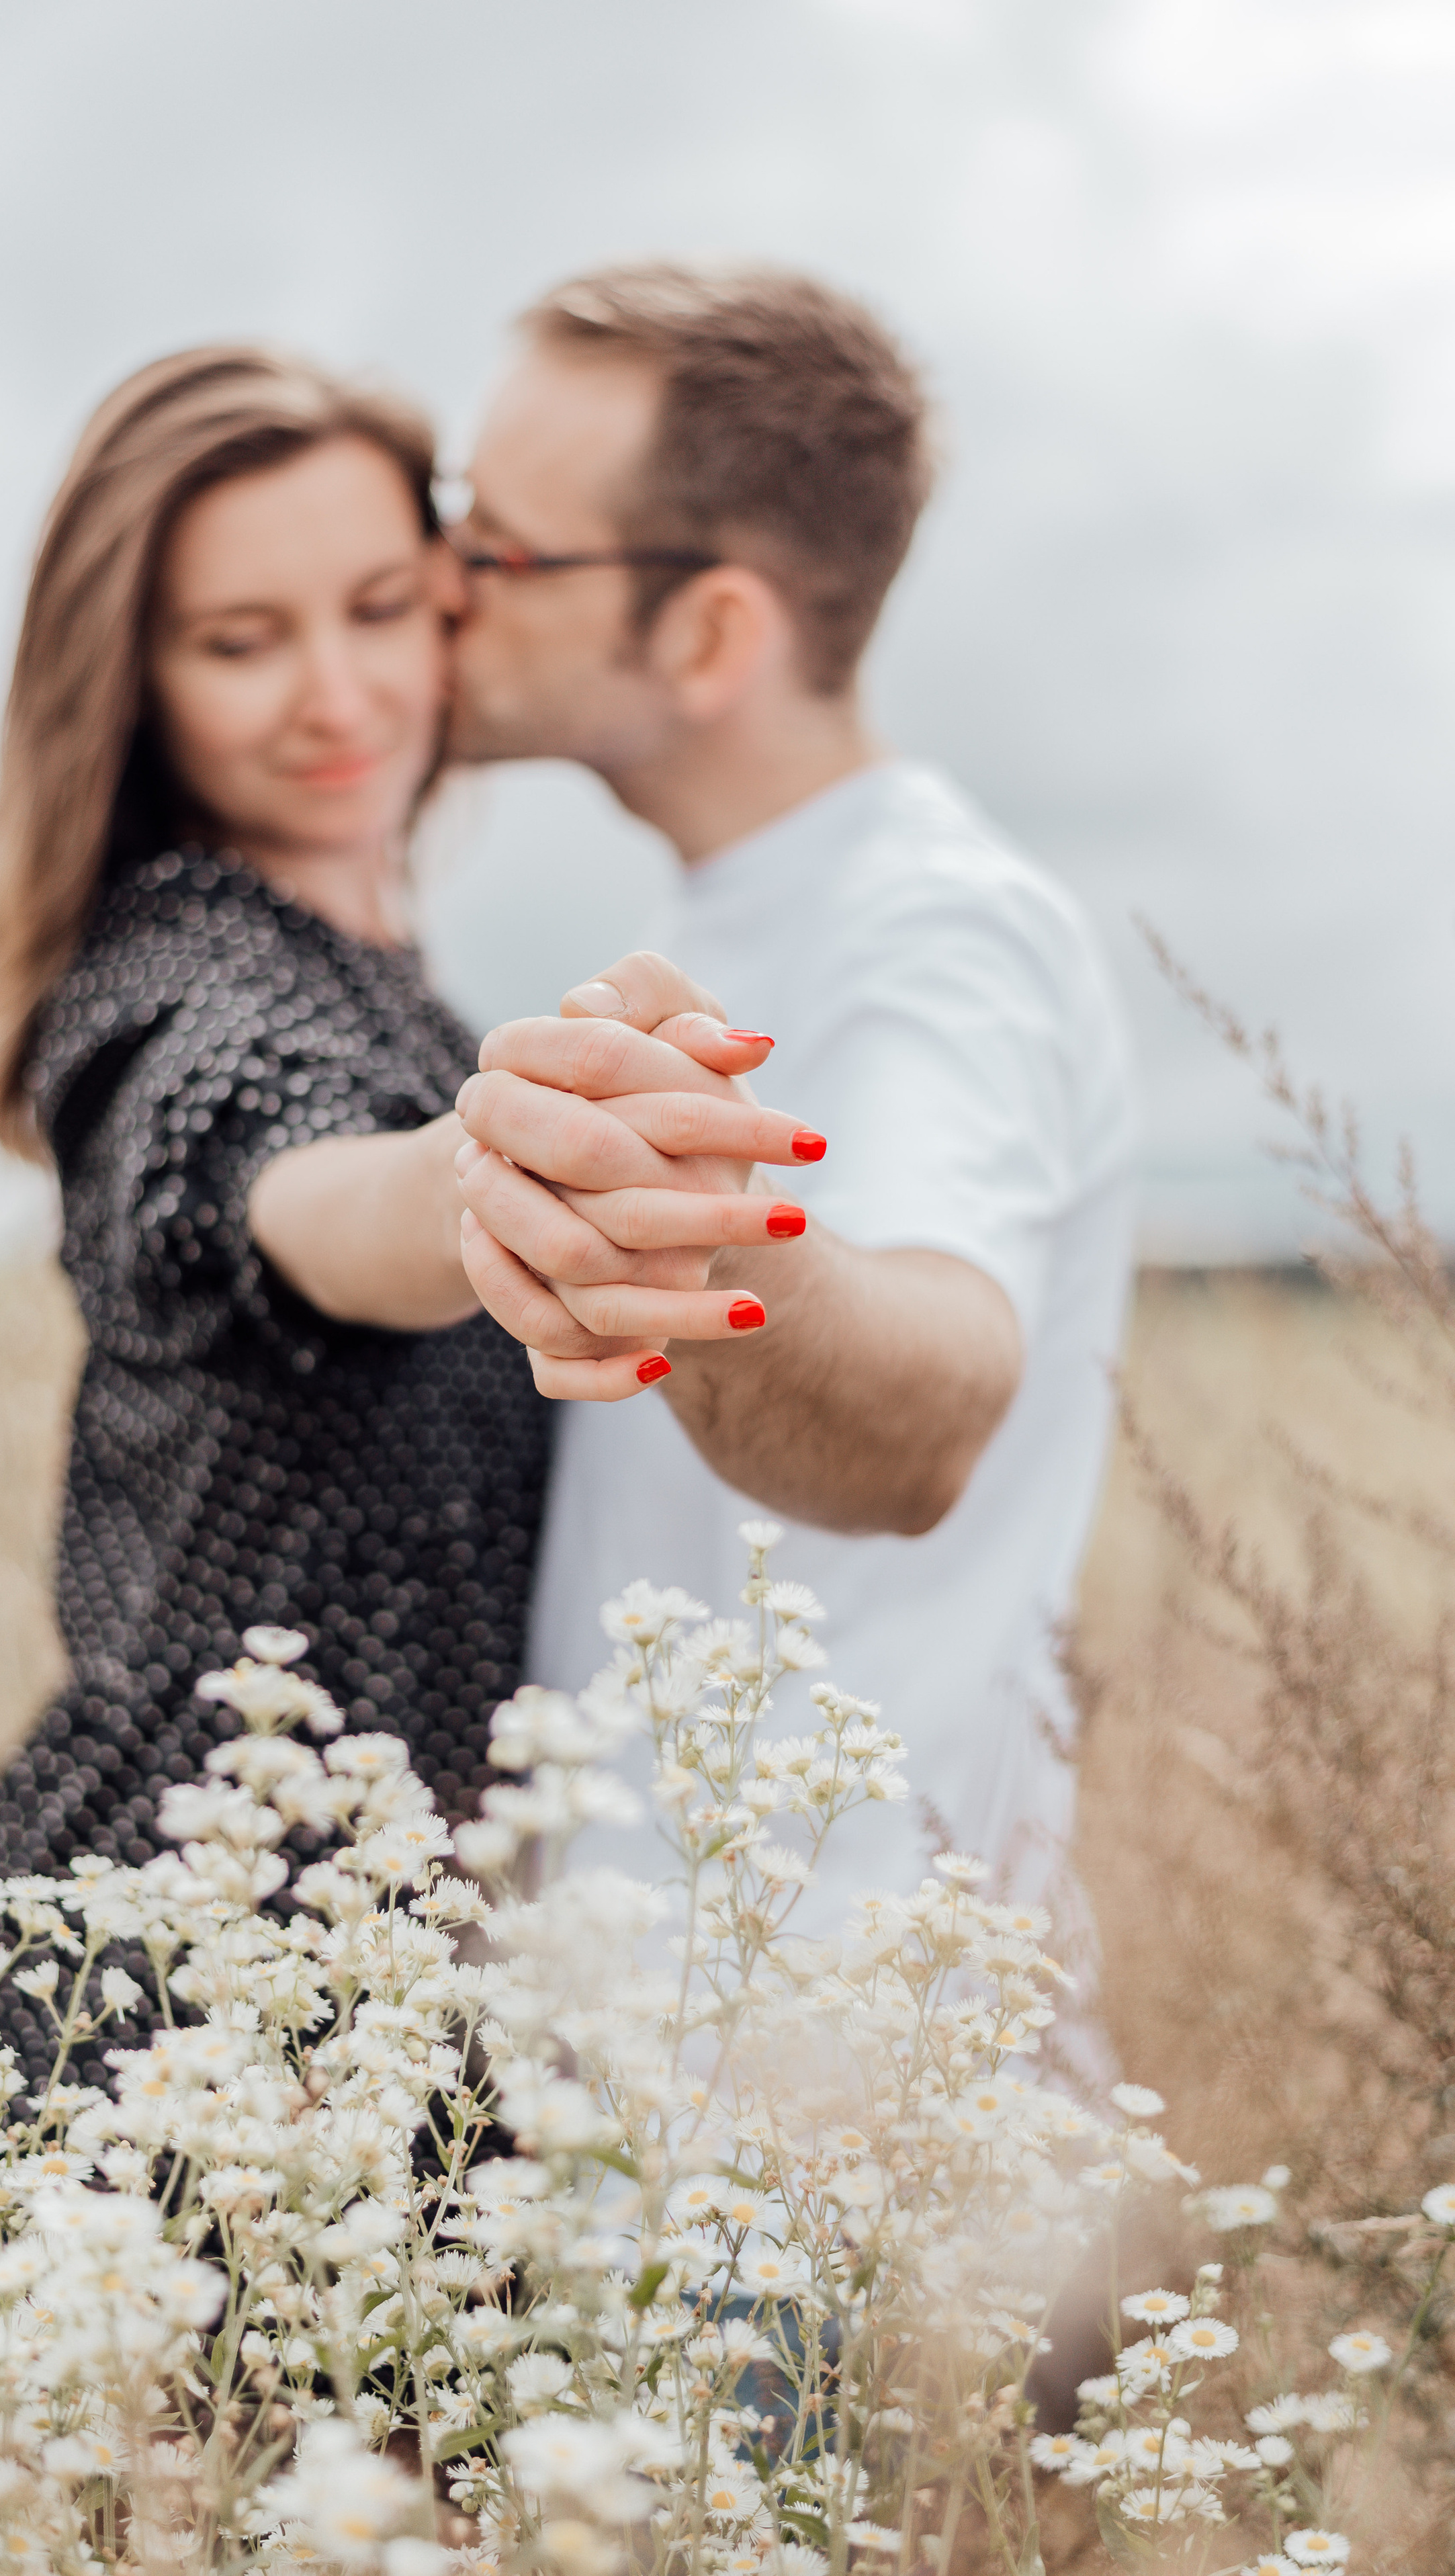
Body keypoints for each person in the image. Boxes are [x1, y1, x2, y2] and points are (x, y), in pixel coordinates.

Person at [0, 344, 811, 2084]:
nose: (334, 694)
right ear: (134, 684)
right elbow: (290, 1182)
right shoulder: (167, 991)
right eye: (238, 640)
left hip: (395, 1981)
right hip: (171, 1974)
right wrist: (487, 1173)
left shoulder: (388, 991)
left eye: (374, 605)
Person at [446, 265, 1137, 1929]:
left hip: (821, 2070)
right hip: (669, 2037)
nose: (440, 588)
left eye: (495, 547)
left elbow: (927, 1404)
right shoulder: (737, 908)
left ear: (705, 634)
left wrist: (690, 1250)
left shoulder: (934, 934)